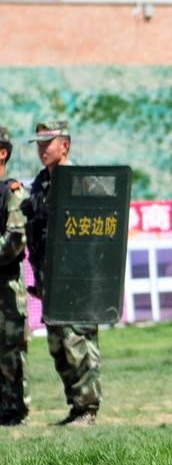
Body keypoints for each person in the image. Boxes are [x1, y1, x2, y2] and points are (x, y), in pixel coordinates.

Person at [22, 121, 102, 426]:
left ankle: (89, 408)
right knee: (58, 346)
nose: (42, 149)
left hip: (77, 279)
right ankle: (76, 407)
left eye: (48, 143)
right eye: (39, 144)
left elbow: (97, 232)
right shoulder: (40, 184)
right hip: (49, 280)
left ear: (64, 146)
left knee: (78, 342)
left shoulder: (81, 182)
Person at [0, 126, 31, 426]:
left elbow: (15, 239)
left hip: (7, 285)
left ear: (3, 153)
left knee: (11, 349)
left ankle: (14, 410)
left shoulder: (12, 192)